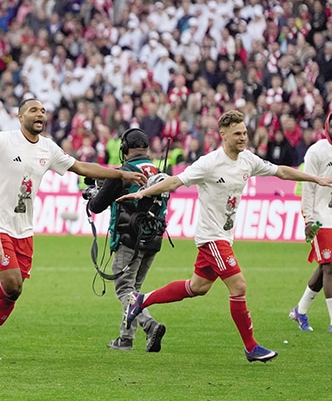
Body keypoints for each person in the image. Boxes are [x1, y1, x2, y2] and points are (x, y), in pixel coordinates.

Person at [120, 110, 332, 362]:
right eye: (238, 134)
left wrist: (316, 179)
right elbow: (175, 181)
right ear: (223, 135)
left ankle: (140, 300)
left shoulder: (248, 160)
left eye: (245, 132)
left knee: (196, 287)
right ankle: (251, 347)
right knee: (239, 285)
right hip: (212, 238)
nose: (243, 137)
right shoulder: (208, 163)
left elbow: (281, 172)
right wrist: (142, 194)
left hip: (224, 235)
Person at [0, 98, 147, 361]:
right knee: (11, 283)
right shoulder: (2, 141)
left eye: (43, 111)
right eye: (34, 110)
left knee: (15, 291)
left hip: (25, 228)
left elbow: (80, 167)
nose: (40, 114)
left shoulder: (48, 148)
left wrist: (121, 174)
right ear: (20, 116)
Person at [86, 128, 168, 352]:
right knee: (134, 289)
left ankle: (149, 325)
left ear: (124, 148)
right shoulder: (159, 170)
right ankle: (125, 339)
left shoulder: (125, 171)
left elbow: (97, 206)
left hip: (129, 238)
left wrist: (94, 193)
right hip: (154, 237)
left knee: (124, 289)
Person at [293, 119, 332, 332]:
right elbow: (308, 187)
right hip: (320, 217)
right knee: (330, 267)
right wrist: (308, 219)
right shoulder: (317, 152)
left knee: (326, 266)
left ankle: (300, 310)